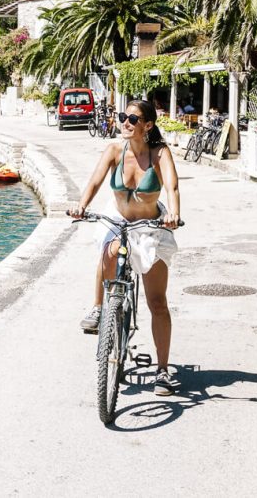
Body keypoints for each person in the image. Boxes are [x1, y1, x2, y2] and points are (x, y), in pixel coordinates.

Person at [67, 99, 183, 396]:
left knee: (157, 302)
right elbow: (94, 181)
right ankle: (98, 308)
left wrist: (173, 212)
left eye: (133, 119)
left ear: (148, 125)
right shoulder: (114, 150)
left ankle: (162, 371)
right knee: (108, 248)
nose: (125, 122)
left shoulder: (160, 153)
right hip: (119, 218)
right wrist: (81, 205)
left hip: (150, 228)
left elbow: (171, 186)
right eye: (123, 117)